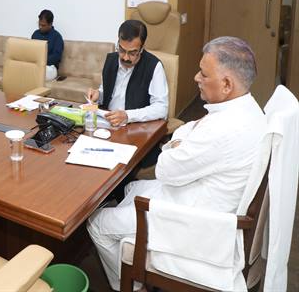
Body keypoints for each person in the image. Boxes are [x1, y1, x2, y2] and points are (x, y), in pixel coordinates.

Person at [87, 36, 267, 291]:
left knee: (97, 223)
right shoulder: (247, 109)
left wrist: (175, 144)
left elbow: (164, 169)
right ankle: (130, 263)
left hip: (193, 224)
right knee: (129, 188)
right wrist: (180, 141)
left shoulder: (224, 129)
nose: (196, 77)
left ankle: (132, 287)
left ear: (227, 84)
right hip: (201, 198)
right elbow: (188, 128)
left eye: (204, 74)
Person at [86, 20, 168, 127]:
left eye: (132, 53)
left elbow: (161, 108)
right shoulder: (111, 60)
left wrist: (128, 116)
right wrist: (99, 95)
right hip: (108, 122)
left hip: (136, 126)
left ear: (141, 49)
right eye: (122, 50)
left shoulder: (154, 66)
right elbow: (107, 92)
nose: (125, 58)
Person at [31, 9, 64, 81]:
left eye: (43, 25)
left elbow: (56, 57)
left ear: (50, 24)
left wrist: (41, 61)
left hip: (50, 68)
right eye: (39, 24)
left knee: (39, 72)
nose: (40, 27)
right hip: (35, 65)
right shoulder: (35, 34)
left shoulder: (57, 37)